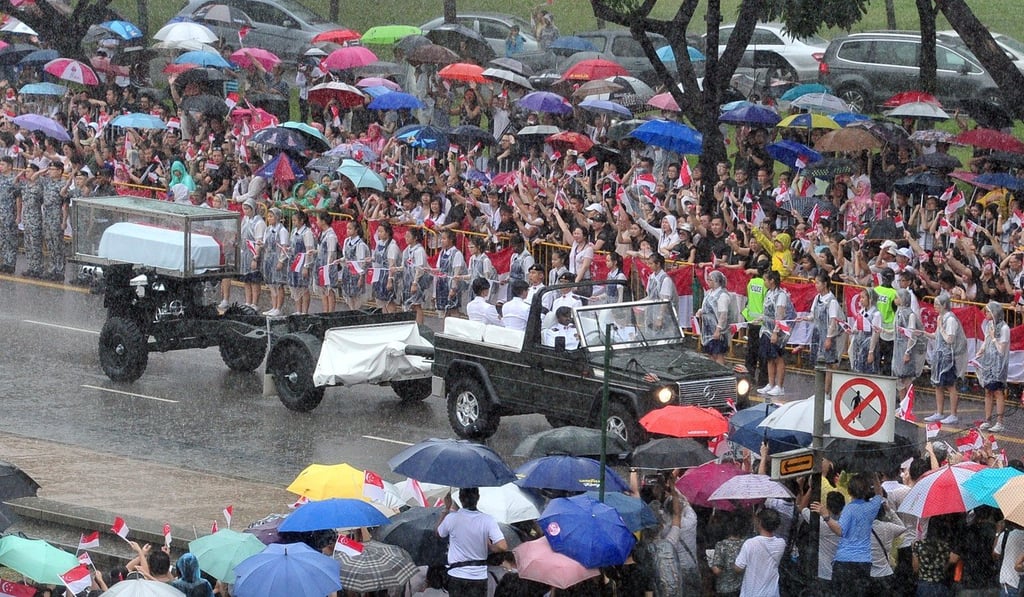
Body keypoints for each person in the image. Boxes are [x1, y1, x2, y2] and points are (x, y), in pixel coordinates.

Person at [811, 473, 884, 597]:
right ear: (866, 490)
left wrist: (826, 516)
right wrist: (875, 477)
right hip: (864, 561)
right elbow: (879, 494)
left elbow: (840, 531)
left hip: (844, 561)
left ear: (849, 491)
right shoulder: (872, 507)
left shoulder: (849, 509)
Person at [436, 487, 508, 597]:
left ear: (460, 498)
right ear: (478, 498)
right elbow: (502, 546)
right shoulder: (487, 520)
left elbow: (438, 533)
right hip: (479, 577)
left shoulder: (452, 518)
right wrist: (489, 545)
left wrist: (446, 508)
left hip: (456, 575)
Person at [924, 294, 968, 425]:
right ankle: (939, 412)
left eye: (937, 304)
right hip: (940, 356)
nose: (935, 306)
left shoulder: (950, 320)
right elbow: (937, 336)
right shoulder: (940, 318)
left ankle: (953, 414)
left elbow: (949, 339)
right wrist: (922, 333)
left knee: (950, 385)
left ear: (944, 305)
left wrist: (940, 327)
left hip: (949, 357)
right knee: (938, 385)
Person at [734, 508, 786, 597]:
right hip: (772, 593)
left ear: (760, 522)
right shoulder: (781, 543)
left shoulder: (750, 543)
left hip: (752, 592)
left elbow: (738, 568)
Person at [807, 271, 844, 396]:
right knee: (818, 363)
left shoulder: (831, 301)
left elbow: (833, 321)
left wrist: (828, 338)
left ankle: (826, 392)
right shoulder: (817, 298)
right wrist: (805, 318)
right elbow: (813, 315)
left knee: (829, 364)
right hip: (818, 334)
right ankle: (819, 391)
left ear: (825, 284)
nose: (816, 285)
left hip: (828, 335)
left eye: (818, 283)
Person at [976, 300, 1010, 433]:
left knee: (998, 392)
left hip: (999, 365)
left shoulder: (1004, 328)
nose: (985, 313)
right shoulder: (989, 324)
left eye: (988, 311)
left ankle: (1000, 422)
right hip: (988, 362)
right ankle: (988, 419)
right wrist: (980, 352)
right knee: (988, 391)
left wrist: (993, 337)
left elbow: (1001, 350)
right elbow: (986, 341)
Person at [759, 270, 792, 398]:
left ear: (772, 280)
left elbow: (780, 314)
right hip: (766, 328)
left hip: (776, 330)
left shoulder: (781, 295)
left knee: (777, 357)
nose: (764, 282)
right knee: (769, 357)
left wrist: (775, 332)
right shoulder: (769, 293)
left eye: (765, 280)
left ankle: (780, 386)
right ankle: (771, 383)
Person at [697, 269, 732, 365]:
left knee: (718, 354)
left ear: (716, 281)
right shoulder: (709, 293)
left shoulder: (722, 295)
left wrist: (718, 329)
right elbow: (706, 307)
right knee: (711, 353)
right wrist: (700, 311)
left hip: (717, 330)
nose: (708, 282)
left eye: (710, 280)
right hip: (708, 329)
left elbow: (723, 315)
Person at [260, 207, 289, 317]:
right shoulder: (268, 229)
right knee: (271, 284)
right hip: (268, 258)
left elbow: (284, 247)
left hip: (276, 258)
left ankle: (278, 307)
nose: (269, 218)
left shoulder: (282, 230)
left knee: (278, 283)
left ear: (277, 217)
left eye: (271, 216)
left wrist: (281, 260)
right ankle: (273, 306)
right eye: (268, 216)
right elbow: (265, 243)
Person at [239, 199, 266, 310]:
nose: (245, 211)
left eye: (247, 209)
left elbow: (258, 240)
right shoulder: (245, 219)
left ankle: (255, 303)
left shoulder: (259, 222)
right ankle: (248, 301)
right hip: (245, 252)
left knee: (254, 280)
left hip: (253, 252)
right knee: (247, 279)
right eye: (244, 209)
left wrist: (255, 257)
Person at [400, 227, 431, 324]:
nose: (406, 238)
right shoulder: (407, 250)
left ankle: (419, 327)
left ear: (415, 238)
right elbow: (403, 265)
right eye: (406, 236)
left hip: (417, 281)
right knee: (409, 305)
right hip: (408, 280)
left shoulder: (419, 251)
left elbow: (420, 269)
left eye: (408, 236)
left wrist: (415, 283)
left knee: (416, 305)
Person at [288, 210, 316, 315]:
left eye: (295, 220)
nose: (294, 222)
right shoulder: (294, 231)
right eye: (293, 220)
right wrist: (288, 249)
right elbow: (293, 246)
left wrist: (306, 266)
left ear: (302, 220)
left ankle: (304, 312)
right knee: (296, 287)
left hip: (303, 262)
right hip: (294, 262)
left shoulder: (307, 232)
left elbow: (309, 250)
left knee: (304, 287)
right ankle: (298, 310)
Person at [339, 219, 370, 311]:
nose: (348, 230)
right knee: (349, 295)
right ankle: (352, 311)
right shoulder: (346, 241)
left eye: (350, 228)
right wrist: (339, 260)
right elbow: (346, 256)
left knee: (356, 296)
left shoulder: (360, 245)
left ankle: (357, 312)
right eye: (347, 228)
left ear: (356, 230)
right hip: (347, 272)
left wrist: (361, 277)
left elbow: (362, 262)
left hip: (356, 273)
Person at [372, 222, 401, 313]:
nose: (379, 234)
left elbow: (391, 264)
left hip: (388, 276)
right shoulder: (379, 243)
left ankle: (392, 320)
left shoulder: (392, 246)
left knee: (389, 300)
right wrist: (372, 259)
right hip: (380, 275)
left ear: (387, 232)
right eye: (378, 231)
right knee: (382, 301)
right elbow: (377, 258)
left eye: (381, 231)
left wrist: (390, 280)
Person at [435, 229, 467, 313]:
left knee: (453, 310)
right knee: (443, 311)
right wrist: (430, 270)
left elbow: (457, 273)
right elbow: (439, 269)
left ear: (451, 240)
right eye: (441, 238)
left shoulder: (457, 254)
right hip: (441, 285)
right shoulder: (442, 252)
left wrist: (453, 289)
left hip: (451, 286)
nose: (441, 241)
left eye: (444, 239)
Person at [312, 211, 338, 314]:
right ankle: (325, 310)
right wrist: (314, 252)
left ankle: (331, 312)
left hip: (328, 266)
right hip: (321, 264)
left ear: (323, 221)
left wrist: (327, 268)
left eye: (318, 219)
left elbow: (331, 253)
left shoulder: (331, 235)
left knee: (329, 290)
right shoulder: (322, 233)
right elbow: (321, 249)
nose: (316, 222)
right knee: (323, 289)